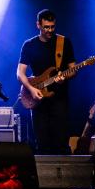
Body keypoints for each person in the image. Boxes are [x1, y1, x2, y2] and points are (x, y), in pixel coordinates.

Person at [16, 9, 76, 154]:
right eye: (46, 27)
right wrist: (31, 89)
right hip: (38, 100)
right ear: (38, 25)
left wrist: (65, 77)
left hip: (59, 99)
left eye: (52, 27)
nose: (50, 30)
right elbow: (20, 73)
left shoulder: (64, 42)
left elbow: (73, 70)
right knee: (42, 143)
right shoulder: (29, 45)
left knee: (61, 142)